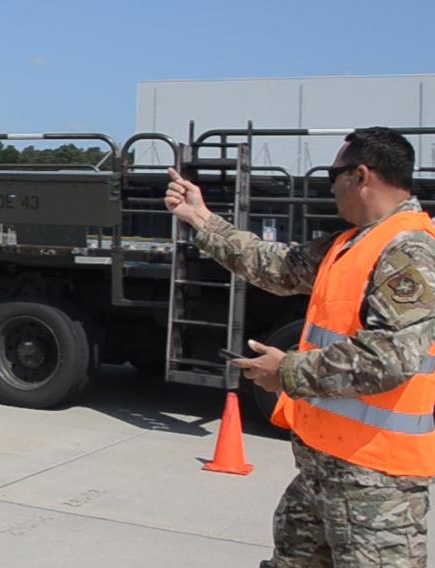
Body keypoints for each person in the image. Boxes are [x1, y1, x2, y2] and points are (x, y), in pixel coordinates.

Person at [165, 127, 435, 567]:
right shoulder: (351, 242)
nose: (330, 185)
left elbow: (390, 358)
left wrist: (287, 372)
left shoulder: (408, 250)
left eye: (334, 174)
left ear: (361, 175)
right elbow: (279, 267)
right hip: (326, 467)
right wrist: (201, 219)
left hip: (378, 483)